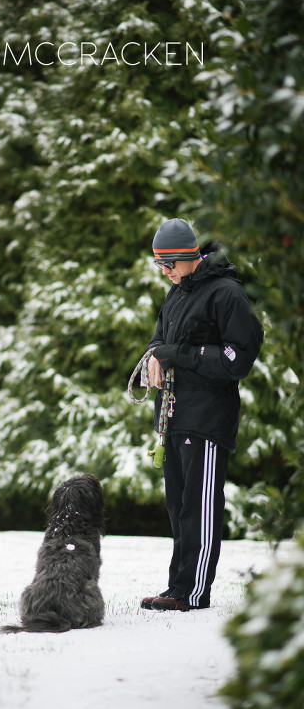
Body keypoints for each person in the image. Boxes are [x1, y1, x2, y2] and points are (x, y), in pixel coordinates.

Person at [140, 218, 263, 611]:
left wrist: (178, 356)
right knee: (177, 508)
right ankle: (177, 589)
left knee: (199, 506)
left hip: (208, 417)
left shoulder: (226, 293)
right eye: (160, 265)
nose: (165, 272)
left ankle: (193, 594)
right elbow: (162, 339)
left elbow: (238, 357)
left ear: (189, 256)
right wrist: (154, 356)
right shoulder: (177, 293)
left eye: (169, 264)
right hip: (174, 414)